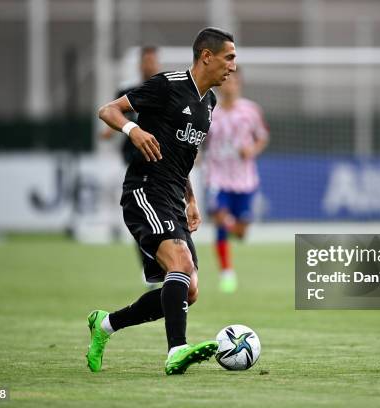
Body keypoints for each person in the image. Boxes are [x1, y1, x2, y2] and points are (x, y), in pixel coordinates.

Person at [87, 27, 237, 376]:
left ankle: (105, 324)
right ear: (207, 56)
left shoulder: (209, 103)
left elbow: (180, 157)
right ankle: (176, 352)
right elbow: (107, 110)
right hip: (145, 189)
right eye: (229, 57)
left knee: (190, 290)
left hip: (173, 196)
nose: (232, 67)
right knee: (181, 266)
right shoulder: (167, 84)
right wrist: (133, 130)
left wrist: (192, 199)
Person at [203, 68, 269, 293]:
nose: (229, 86)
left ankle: (231, 227)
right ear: (220, 84)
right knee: (220, 219)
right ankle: (226, 272)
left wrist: (251, 150)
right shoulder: (209, 111)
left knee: (240, 232)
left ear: (239, 84)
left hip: (245, 180)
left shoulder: (251, 111)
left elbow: (262, 137)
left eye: (234, 82)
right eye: (226, 81)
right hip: (217, 178)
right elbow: (200, 141)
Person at [100, 46, 161, 290]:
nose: (150, 65)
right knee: (139, 220)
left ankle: (165, 264)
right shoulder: (127, 92)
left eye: (153, 61)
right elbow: (113, 116)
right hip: (132, 164)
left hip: (160, 164)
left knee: (162, 218)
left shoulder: (164, 89)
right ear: (140, 64)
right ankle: (149, 267)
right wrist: (108, 130)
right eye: (146, 61)